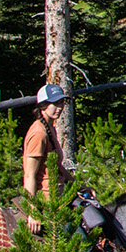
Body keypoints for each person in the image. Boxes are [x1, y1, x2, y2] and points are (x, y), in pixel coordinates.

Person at [22, 82, 75, 231]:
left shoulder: (50, 127)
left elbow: (56, 166)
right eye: (54, 103)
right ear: (43, 105)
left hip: (59, 196)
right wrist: (33, 212)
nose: (59, 108)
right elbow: (29, 175)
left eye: (61, 103)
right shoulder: (39, 133)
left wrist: (77, 185)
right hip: (48, 201)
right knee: (83, 246)